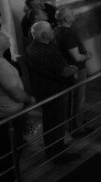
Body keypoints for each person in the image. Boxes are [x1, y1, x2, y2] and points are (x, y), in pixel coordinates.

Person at [0, 31, 35, 181]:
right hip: (8, 114)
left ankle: (6, 176)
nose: (8, 38)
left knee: (4, 148)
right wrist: (30, 99)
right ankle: (9, 177)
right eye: (5, 38)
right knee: (10, 149)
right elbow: (16, 94)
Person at [25, 21, 80, 162]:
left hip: (43, 90)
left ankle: (55, 148)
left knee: (51, 122)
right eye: (50, 29)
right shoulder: (45, 51)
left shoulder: (32, 47)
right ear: (44, 34)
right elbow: (64, 71)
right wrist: (74, 68)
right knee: (56, 123)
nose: (53, 31)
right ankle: (56, 153)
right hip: (54, 92)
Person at [54, 7, 92, 135]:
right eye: (71, 13)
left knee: (72, 99)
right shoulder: (68, 34)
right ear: (66, 19)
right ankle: (77, 128)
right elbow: (77, 57)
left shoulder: (56, 30)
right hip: (76, 70)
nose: (73, 14)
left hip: (68, 69)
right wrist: (88, 56)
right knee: (78, 99)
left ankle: (73, 125)